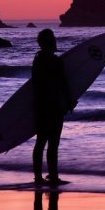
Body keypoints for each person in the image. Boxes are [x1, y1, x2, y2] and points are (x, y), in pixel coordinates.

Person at [32, 29, 75, 185]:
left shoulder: (37, 60)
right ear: (51, 42)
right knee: (53, 143)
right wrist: (69, 101)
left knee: (40, 142)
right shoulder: (55, 61)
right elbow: (63, 83)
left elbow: (35, 85)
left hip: (39, 106)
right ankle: (53, 175)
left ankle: (37, 177)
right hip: (54, 106)